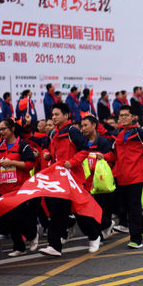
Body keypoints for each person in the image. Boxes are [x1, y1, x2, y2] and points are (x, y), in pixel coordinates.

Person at [38, 102, 102, 256]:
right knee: (56, 213)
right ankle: (54, 246)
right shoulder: (52, 133)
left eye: (57, 114)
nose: (54, 117)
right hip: (59, 180)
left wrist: (72, 162)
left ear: (66, 115)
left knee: (80, 213)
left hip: (74, 179)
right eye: (53, 115)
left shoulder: (72, 131)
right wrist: (46, 153)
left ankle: (94, 236)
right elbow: (45, 147)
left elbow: (85, 150)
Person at [104, 105, 143, 248]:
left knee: (134, 208)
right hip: (122, 177)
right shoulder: (117, 135)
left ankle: (136, 239)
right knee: (125, 208)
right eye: (121, 115)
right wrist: (103, 156)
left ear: (132, 117)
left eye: (126, 115)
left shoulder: (139, 133)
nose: (123, 118)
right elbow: (114, 155)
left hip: (137, 176)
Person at [0, 118, 39, 256]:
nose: (1, 132)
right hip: (5, 189)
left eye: (4, 129)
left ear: (12, 129)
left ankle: (32, 234)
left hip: (20, 188)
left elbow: (30, 164)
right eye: (0, 129)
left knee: (18, 216)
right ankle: (19, 247)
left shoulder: (23, 146)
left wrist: (12, 163)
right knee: (10, 220)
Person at [80, 115, 115, 240]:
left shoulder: (103, 142)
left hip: (100, 181)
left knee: (102, 208)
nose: (83, 128)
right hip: (86, 182)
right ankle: (105, 227)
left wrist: (102, 159)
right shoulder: (81, 142)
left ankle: (103, 230)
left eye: (86, 125)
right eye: (82, 126)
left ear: (94, 125)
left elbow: (111, 159)